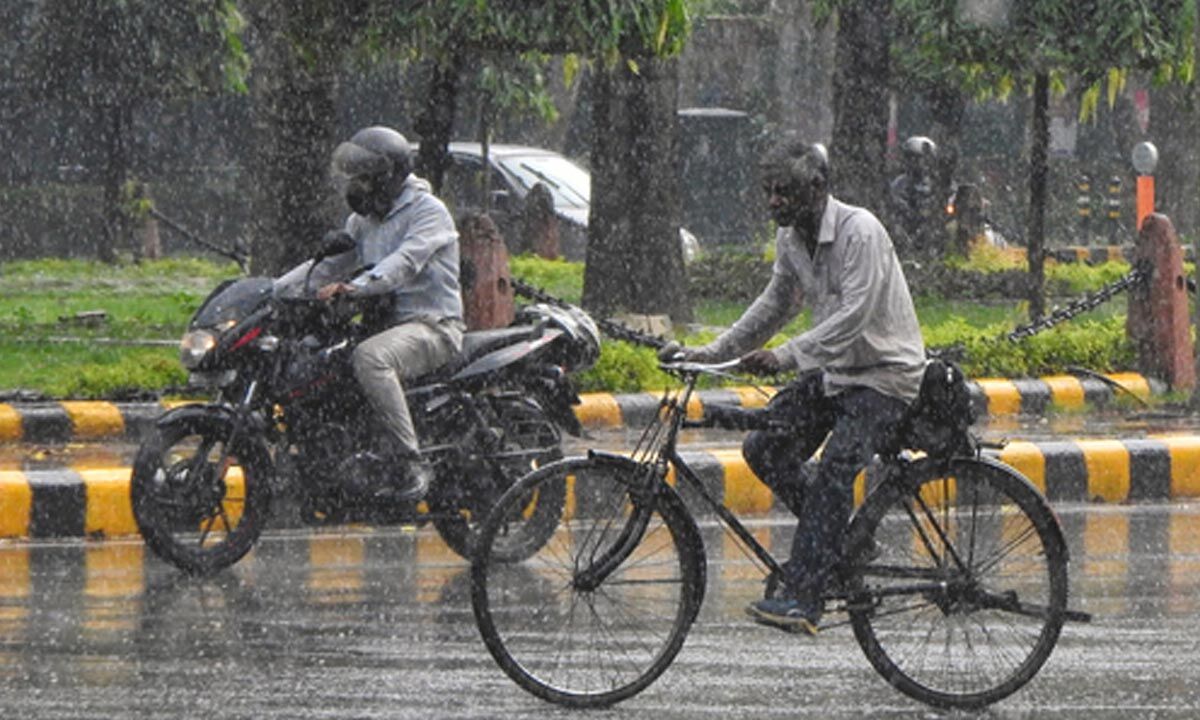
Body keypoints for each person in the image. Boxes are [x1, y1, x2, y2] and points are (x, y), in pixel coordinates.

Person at [662, 138, 926, 635]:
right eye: (768, 192)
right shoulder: (791, 240)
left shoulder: (859, 231)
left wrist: (786, 356)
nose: (773, 202)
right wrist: (708, 354)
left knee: (835, 469)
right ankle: (841, 543)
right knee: (766, 446)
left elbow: (855, 316)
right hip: (836, 374)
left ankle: (805, 597)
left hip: (885, 376)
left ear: (819, 187)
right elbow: (775, 304)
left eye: (784, 192)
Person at [274, 126, 464, 501]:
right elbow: (330, 266)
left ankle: (411, 462)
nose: (356, 186)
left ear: (387, 176)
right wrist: (275, 290)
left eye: (364, 177)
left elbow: (404, 263)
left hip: (431, 326)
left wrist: (355, 288)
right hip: (385, 326)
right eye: (353, 177)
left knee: (370, 358)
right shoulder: (364, 221)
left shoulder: (428, 212)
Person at [888, 135, 939, 257]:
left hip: (933, 236)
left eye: (926, 160)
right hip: (909, 233)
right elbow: (897, 209)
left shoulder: (938, 183)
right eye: (916, 159)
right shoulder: (900, 184)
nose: (922, 164)